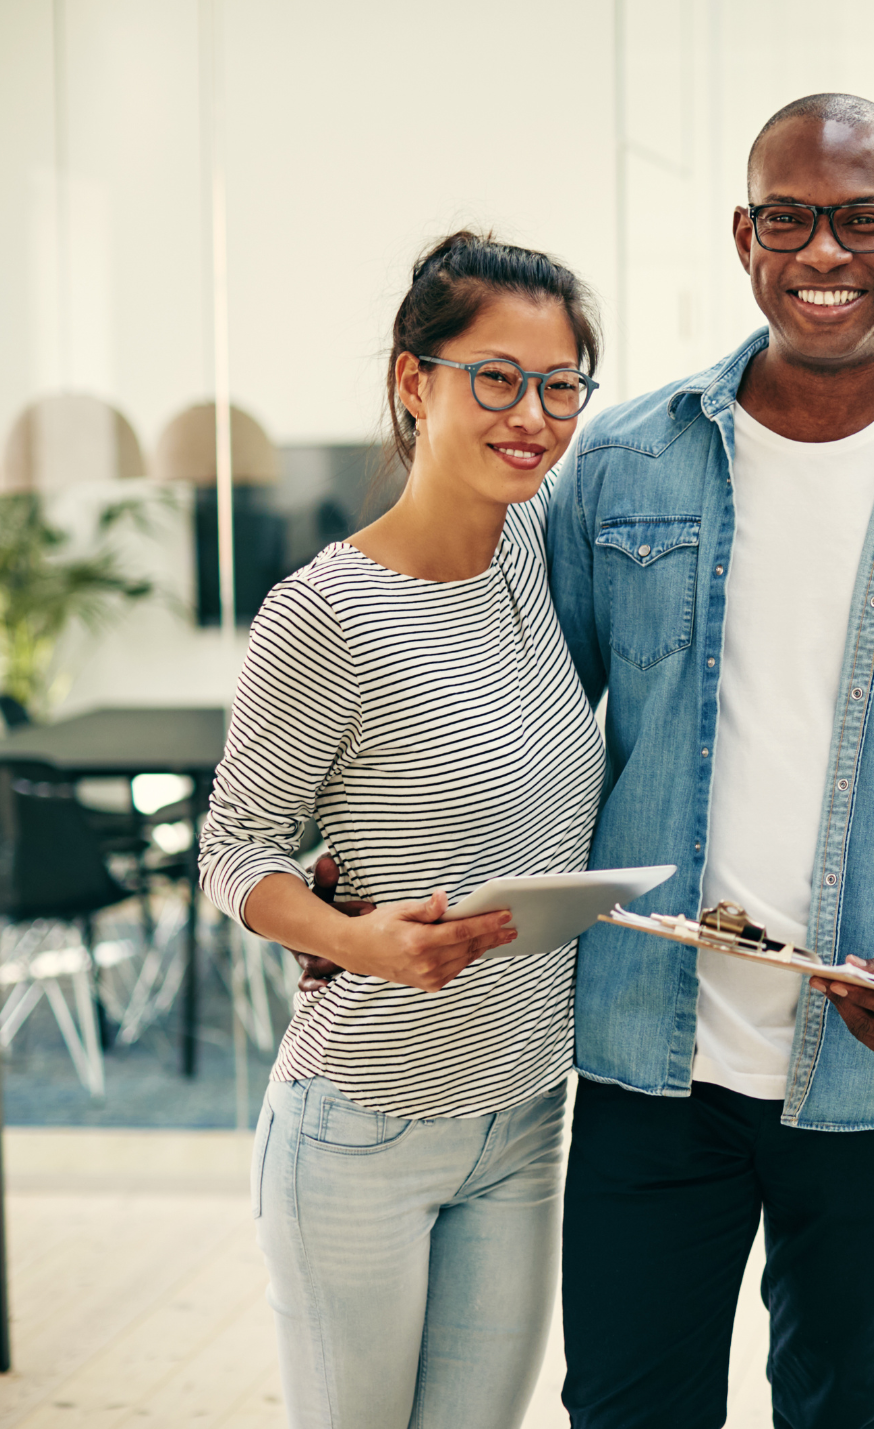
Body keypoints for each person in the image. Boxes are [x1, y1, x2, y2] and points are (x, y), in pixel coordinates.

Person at [544, 93, 874, 1428]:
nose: (825, 254)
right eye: (791, 219)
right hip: (642, 1056)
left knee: (845, 1406)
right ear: (745, 235)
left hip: (864, 1070)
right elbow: (530, 723)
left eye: (861, 220)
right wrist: (384, 864)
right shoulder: (619, 465)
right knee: (624, 1407)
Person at [199, 231, 608, 1428]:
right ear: (411, 381)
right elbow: (236, 847)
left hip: (526, 1115)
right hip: (361, 1128)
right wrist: (361, 938)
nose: (529, 414)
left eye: (558, 384)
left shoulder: (541, 547)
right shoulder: (324, 612)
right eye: (494, 376)